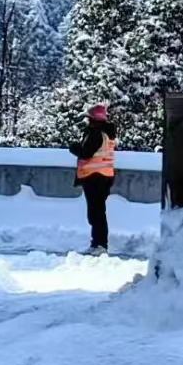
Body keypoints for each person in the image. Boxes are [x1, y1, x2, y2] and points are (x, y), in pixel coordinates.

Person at [69, 104, 117, 255]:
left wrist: (73, 147)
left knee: (96, 213)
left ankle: (100, 244)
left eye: (89, 118)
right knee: (97, 212)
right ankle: (97, 243)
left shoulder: (96, 133)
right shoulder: (107, 133)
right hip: (104, 176)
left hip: (95, 177)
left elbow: (86, 153)